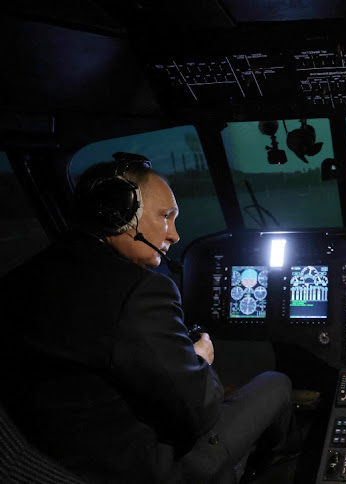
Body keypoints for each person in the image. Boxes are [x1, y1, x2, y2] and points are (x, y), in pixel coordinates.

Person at [0, 154, 295, 483]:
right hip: (150, 469)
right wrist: (200, 360)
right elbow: (199, 414)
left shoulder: (17, 280)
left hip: (56, 463)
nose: (175, 235)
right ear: (118, 214)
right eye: (166, 216)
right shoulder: (139, 291)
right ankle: (267, 470)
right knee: (276, 384)